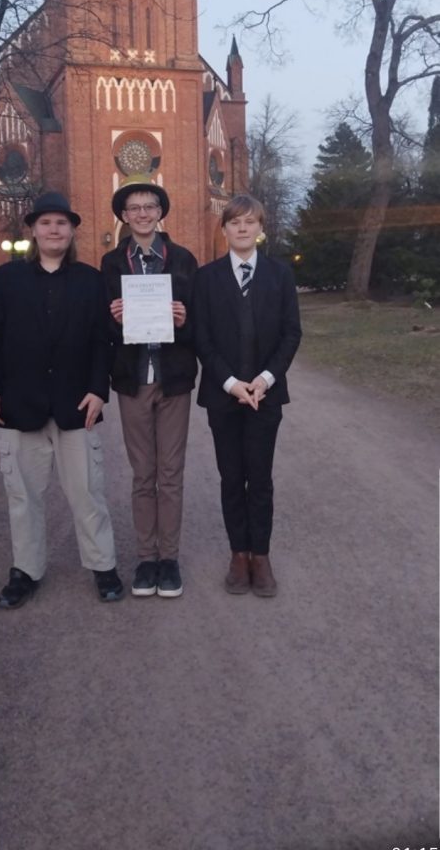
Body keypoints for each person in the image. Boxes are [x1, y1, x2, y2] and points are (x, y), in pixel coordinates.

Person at [0, 191, 124, 608]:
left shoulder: (90, 280)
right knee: (23, 496)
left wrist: (98, 389)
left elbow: (102, 340)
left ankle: (103, 565)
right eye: (46, 223)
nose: (54, 230)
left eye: (62, 223)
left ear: (72, 231)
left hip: (76, 405)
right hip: (18, 403)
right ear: (33, 230)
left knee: (88, 493)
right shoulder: (5, 280)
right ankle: (25, 569)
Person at [192, 194, 301, 597]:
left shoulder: (279, 275)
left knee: (260, 478)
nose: (242, 228)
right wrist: (230, 383)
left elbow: (291, 332)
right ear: (224, 229)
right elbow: (201, 336)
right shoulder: (206, 278)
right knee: (231, 477)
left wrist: (265, 379)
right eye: (235, 222)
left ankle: (261, 555)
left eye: (250, 221)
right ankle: (238, 553)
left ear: (260, 229)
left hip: (265, 395)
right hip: (224, 396)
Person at [101, 175, 197, 598]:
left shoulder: (183, 258)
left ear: (160, 213)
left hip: (173, 378)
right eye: (134, 208)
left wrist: (185, 319)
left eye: (150, 207)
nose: (142, 213)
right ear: (124, 216)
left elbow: (200, 321)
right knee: (143, 474)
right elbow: (102, 326)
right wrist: (115, 318)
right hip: (134, 378)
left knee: (170, 473)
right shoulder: (111, 263)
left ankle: (169, 559)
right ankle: (146, 558)